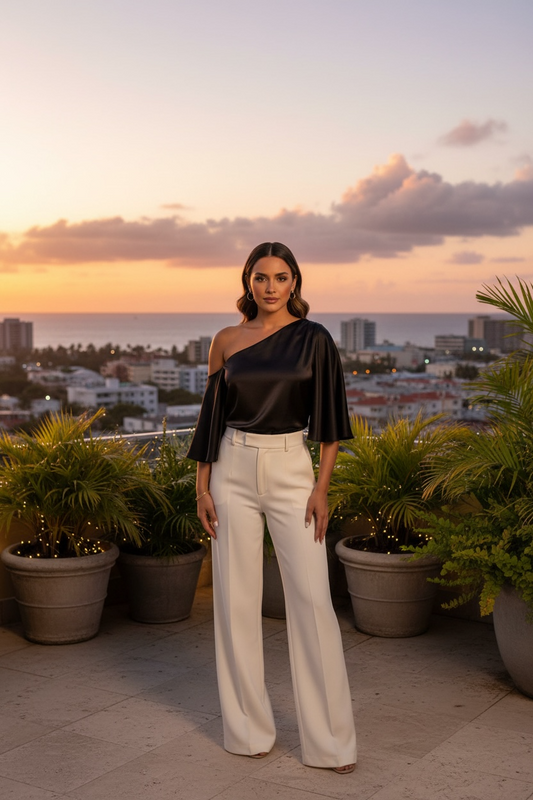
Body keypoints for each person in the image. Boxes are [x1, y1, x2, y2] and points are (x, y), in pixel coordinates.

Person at [187, 241, 357, 774]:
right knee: (235, 602)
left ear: (294, 283)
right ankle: (247, 733)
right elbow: (210, 417)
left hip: (291, 468)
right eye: (261, 277)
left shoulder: (315, 339)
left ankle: (332, 744)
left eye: (281, 278)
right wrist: (202, 487)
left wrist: (321, 488)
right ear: (248, 282)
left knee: (312, 601)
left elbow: (330, 424)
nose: (270, 287)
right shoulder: (226, 340)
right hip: (231, 466)